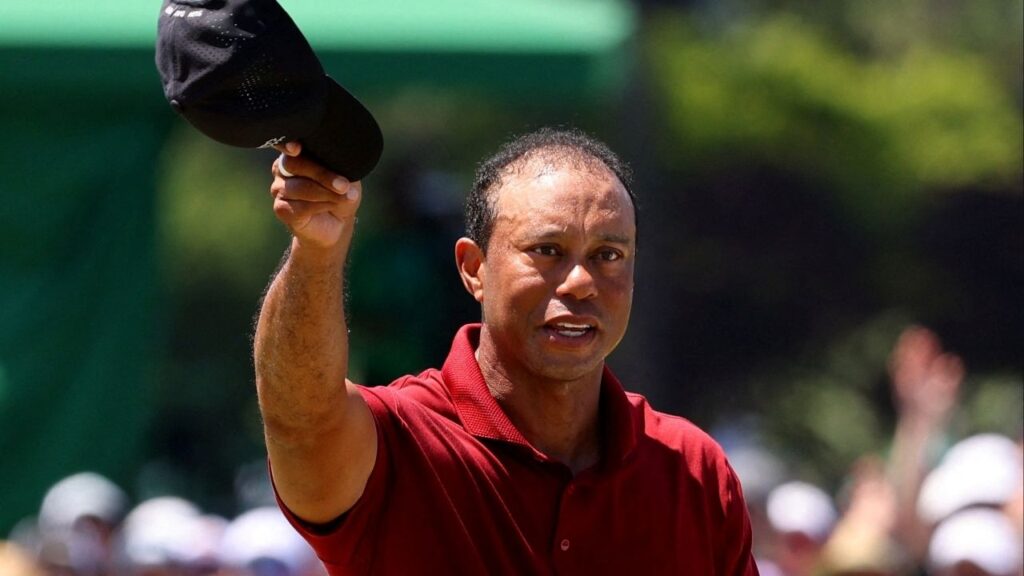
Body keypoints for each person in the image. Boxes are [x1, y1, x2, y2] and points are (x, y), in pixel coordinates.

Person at [253, 127, 757, 575]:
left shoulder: (694, 471)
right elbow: (301, 417)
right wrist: (316, 252)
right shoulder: (399, 444)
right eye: (547, 251)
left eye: (608, 255)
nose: (581, 282)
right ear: (474, 268)